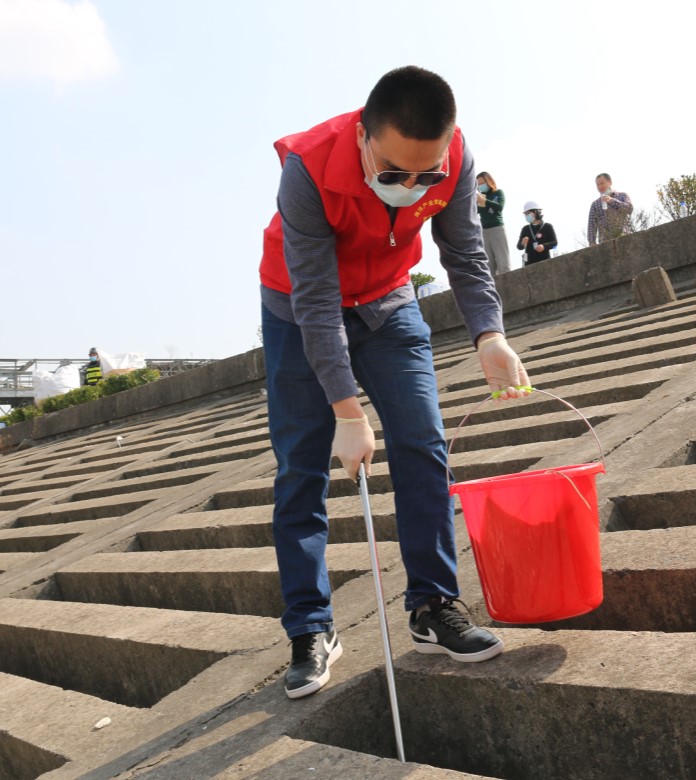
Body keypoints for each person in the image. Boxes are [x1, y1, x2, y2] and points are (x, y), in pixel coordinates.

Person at [259, 66, 530, 700]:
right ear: (362, 138)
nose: (410, 187)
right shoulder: (306, 169)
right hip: (298, 309)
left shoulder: (456, 158)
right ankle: (309, 627)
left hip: (388, 300)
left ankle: (434, 604)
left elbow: (462, 251)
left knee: (423, 442)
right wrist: (347, 411)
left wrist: (489, 335)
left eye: (426, 175)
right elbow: (318, 301)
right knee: (301, 467)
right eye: (392, 173)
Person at [476, 171, 511, 276]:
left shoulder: (498, 193)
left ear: (489, 181)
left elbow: (499, 207)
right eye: (478, 184)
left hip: (497, 229)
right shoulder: (479, 197)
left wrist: (485, 202)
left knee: (503, 262)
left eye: (482, 183)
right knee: (489, 265)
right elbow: (474, 212)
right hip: (484, 231)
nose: (481, 186)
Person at [587, 173, 633, 246]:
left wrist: (611, 201)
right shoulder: (595, 204)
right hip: (605, 242)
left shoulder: (622, 195)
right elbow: (591, 224)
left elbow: (629, 209)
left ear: (610, 182)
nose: (600, 186)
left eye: (602, 183)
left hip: (624, 236)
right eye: (597, 185)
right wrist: (592, 242)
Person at [517, 200, 558, 265]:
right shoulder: (525, 229)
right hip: (529, 265)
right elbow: (519, 247)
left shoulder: (547, 226)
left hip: (545, 262)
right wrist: (522, 243)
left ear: (536, 212)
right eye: (525, 214)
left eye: (528, 213)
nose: (526, 216)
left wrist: (544, 246)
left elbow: (554, 242)